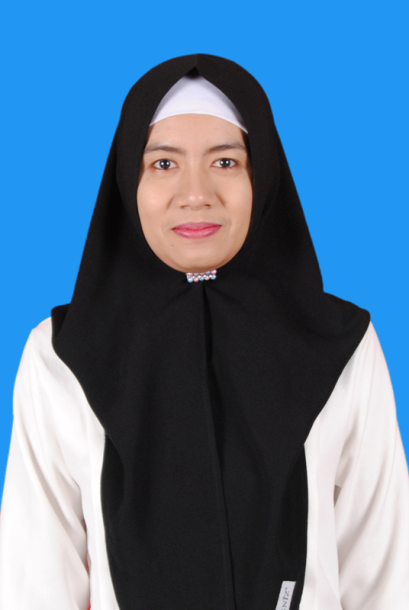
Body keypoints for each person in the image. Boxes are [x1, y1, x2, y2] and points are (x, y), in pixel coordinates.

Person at [0, 53, 408, 610]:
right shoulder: (61, 355)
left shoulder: (340, 345)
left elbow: (383, 572)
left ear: (262, 176)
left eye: (226, 161)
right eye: (164, 163)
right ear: (128, 179)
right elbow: (35, 584)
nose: (196, 193)